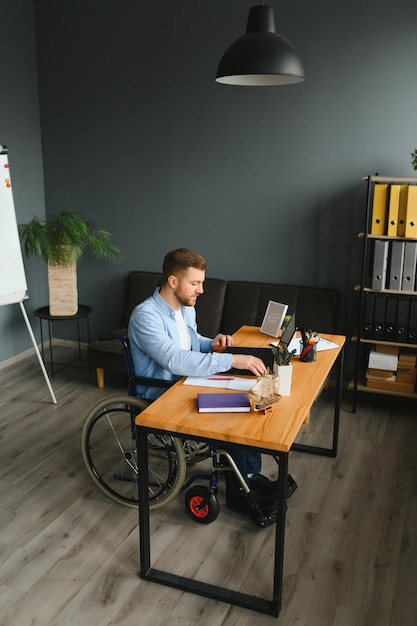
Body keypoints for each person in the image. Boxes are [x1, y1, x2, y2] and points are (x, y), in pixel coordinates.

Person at [128, 248, 295, 521]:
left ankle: (249, 476)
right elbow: (174, 359)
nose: (201, 290)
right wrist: (233, 360)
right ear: (173, 282)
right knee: (232, 412)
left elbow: (192, 343)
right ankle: (240, 493)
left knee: (248, 399)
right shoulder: (145, 316)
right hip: (162, 394)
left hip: (187, 382)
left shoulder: (185, 309)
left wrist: (212, 344)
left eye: (201, 283)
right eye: (195, 283)